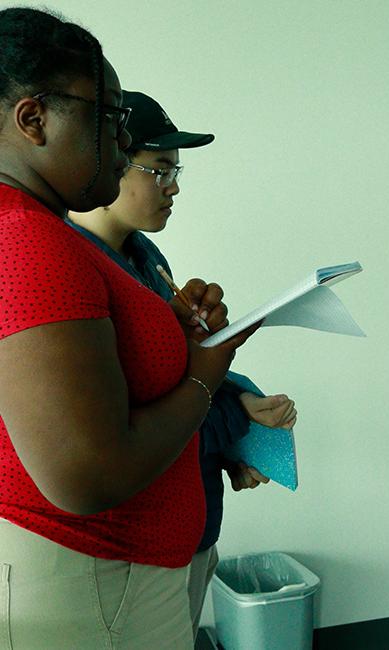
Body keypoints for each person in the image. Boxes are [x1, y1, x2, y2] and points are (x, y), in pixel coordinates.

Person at [0, 7, 255, 648]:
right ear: (34, 119)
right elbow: (88, 475)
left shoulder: (45, 232)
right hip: (94, 588)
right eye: (109, 116)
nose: (121, 140)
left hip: (106, 581)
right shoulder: (28, 241)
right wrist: (205, 376)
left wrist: (174, 333)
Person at [68, 90, 298, 638]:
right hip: (130, 544)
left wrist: (236, 410)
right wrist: (234, 424)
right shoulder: (77, 273)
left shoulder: (146, 258)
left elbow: (180, 377)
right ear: (112, 160)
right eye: (159, 170)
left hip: (188, 522)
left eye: (177, 171)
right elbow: (137, 415)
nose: (173, 188)